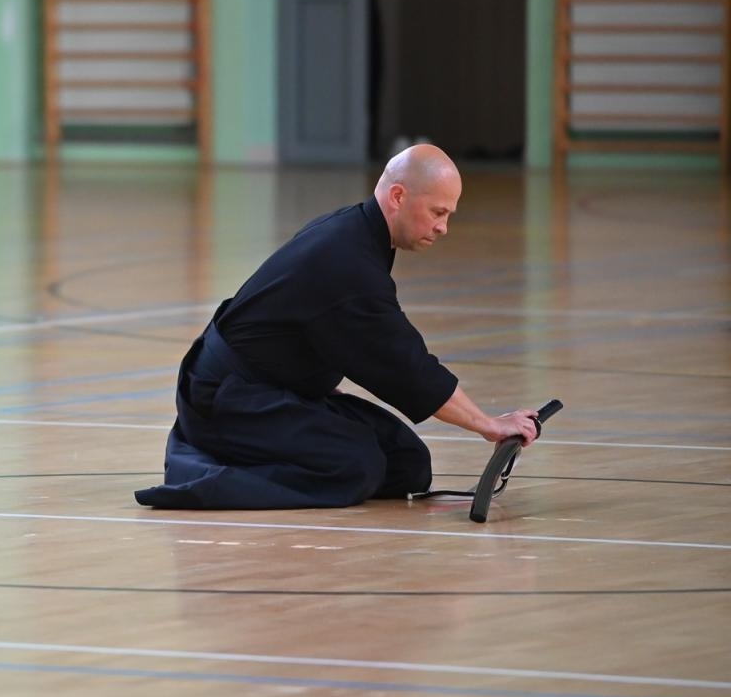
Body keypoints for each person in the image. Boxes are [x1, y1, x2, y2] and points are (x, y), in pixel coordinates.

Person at [134, 145, 539, 511]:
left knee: (405, 462)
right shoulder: (348, 260)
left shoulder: (358, 234)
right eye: (438, 212)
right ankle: (202, 473)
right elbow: (405, 365)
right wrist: (488, 423)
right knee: (354, 465)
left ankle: (235, 450)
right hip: (226, 401)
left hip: (275, 389)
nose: (443, 228)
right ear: (398, 196)